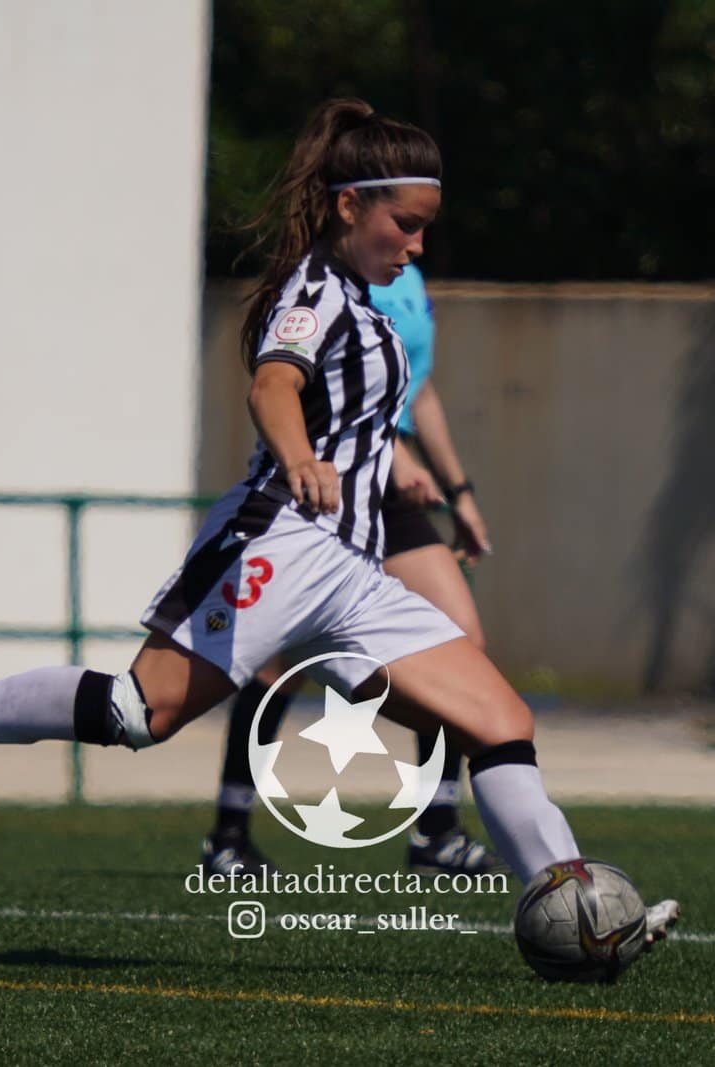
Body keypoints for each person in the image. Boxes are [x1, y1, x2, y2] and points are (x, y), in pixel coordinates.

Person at [0, 98, 679, 945]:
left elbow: (360, 414)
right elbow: (273, 382)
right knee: (137, 714)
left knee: (500, 721)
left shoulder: (363, 295)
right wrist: (301, 455)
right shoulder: (314, 290)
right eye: (407, 225)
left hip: (351, 573)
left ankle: (577, 907)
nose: (418, 246)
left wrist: (395, 464)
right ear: (350, 206)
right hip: (280, 540)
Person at [201, 262, 504, 880]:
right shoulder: (337, 279)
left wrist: (461, 491)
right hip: (335, 484)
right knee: (276, 663)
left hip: (392, 493)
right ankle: (228, 837)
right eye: (405, 216)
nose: (415, 237)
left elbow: (414, 389)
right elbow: (332, 392)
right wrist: (394, 456)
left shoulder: (410, 278)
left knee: (460, 643)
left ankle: (436, 832)